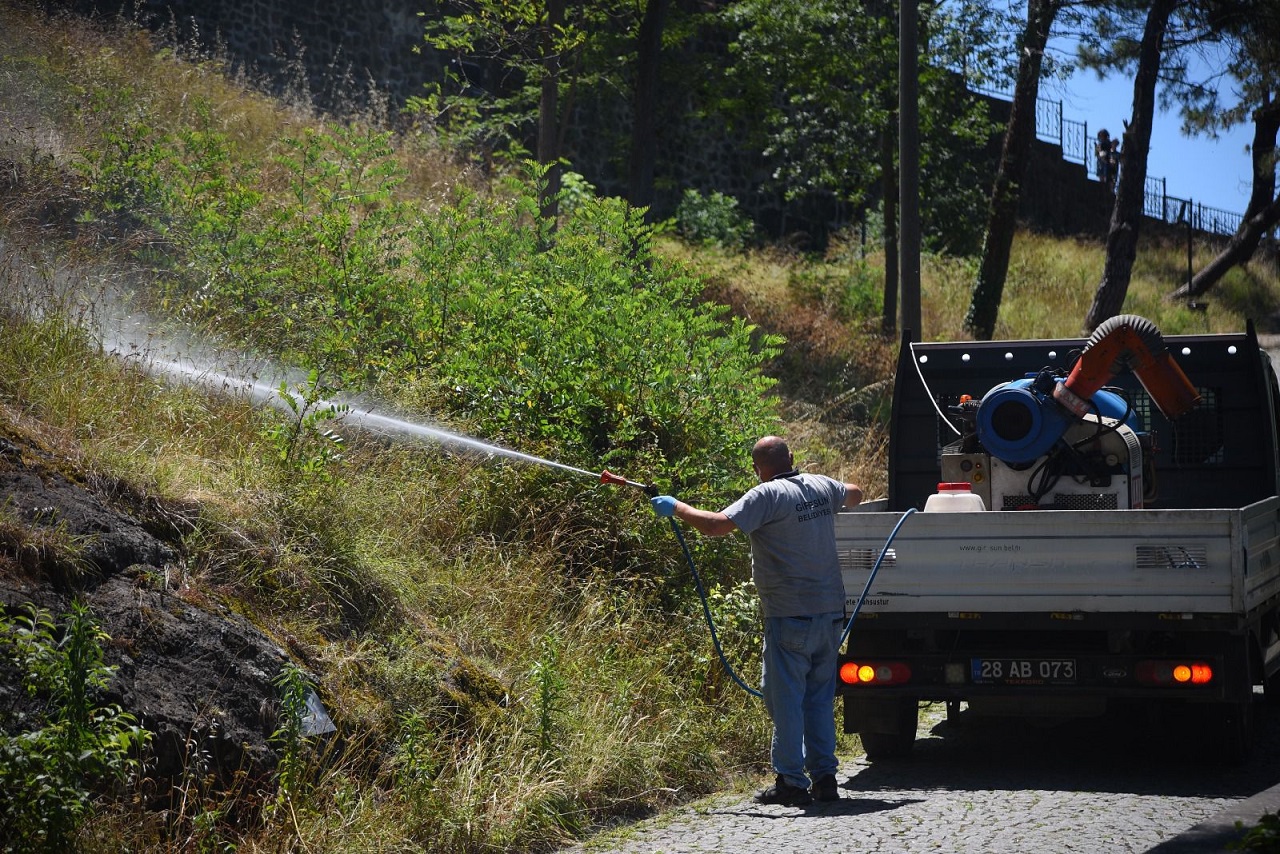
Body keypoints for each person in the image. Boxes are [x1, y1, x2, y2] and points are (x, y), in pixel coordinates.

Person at [650, 436, 863, 806]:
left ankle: (792, 784)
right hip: (830, 615)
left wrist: (677, 507)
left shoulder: (766, 496)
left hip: (789, 616)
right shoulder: (820, 485)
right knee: (817, 700)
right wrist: (835, 495)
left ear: (756, 469)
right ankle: (825, 779)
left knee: (787, 703)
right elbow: (856, 494)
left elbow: (717, 526)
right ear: (792, 458)